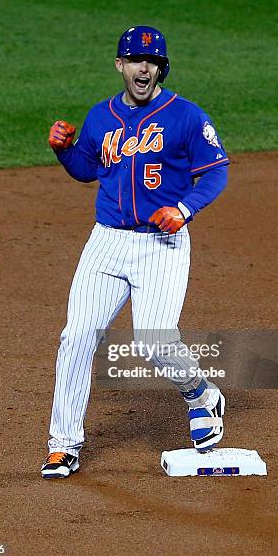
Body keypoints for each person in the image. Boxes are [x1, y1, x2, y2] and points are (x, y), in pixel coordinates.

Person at [41, 25, 230, 479]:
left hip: (161, 244)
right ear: (120, 65)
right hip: (106, 241)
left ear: (161, 67)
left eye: (153, 61)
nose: (144, 68)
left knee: (154, 340)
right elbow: (89, 168)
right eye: (135, 60)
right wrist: (64, 151)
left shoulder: (185, 116)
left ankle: (201, 394)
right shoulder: (101, 115)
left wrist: (184, 209)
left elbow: (217, 171)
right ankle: (62, 445)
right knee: (77, 337)